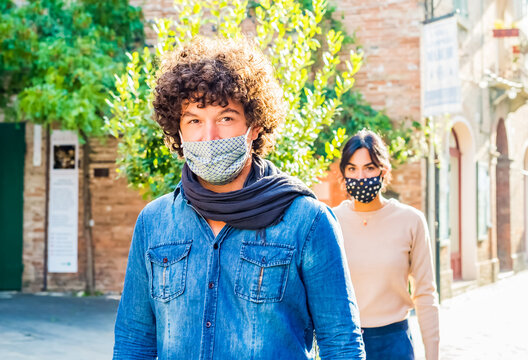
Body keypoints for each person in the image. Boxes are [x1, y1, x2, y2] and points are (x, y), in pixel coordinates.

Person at [112, 36, 365, 360]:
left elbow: (341, 343)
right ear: (178, 129)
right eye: (194, 120)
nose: (209, 136)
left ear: (255, 125)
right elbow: (134, 340)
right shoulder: (154, 222)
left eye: (226, 118)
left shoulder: (308, 222)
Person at [332, 129, 439, 360]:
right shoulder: (331, 221)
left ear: (383, 170)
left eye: (369, 167)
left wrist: (433, 354)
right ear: (343, 174)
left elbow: (426, 294)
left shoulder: (411, 221)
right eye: (352, 168)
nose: (360, 177)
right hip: (344, 343)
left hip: (395, 343)